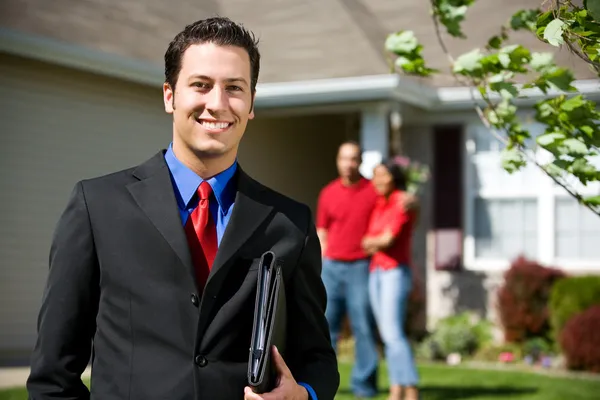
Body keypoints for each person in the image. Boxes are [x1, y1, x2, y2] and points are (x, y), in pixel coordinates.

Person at [26, 17, 339, 400]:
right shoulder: (97, 206)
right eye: (201, 85)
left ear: (252, 104)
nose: (218, 104)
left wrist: (304, 393)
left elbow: (318, 358)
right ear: (170, 96)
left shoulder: (291, 223)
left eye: (234, 88)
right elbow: (53, 374)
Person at [315, 141, 380, 398]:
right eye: (344, 159)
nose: (348, 164)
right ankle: (323, 382)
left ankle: (364, 386)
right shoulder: (328, 193)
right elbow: (322, 231)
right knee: (325, 329)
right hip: (332, 267)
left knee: (363, 327)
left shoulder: (373, 191)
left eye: (353, 159)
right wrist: (322, 262)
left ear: (360, 161)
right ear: (338, 161)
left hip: (361, 266)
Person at [362, 159, 420, 400]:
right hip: (376, 271)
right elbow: (368, 241)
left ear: (393, 178)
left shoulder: (401, 202)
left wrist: (373, 242)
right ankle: (397, 388)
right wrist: (373, 242)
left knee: (394, 333)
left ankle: (412, 389)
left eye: (382, 175)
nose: (377, 181)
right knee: (386, 334)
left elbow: (386, 240)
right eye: (375, 175)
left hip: (394, 272)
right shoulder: (378, 204)